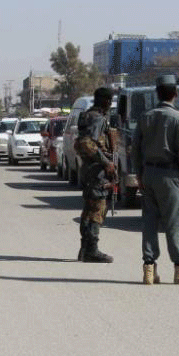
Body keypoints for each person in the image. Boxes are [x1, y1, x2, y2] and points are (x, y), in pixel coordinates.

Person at [132, 74, 179, 285]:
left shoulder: (145, 117)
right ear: (175, 94)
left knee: (149, 222)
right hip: (169, 176)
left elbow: (135, 149)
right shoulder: (176, 118)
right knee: (174, 224)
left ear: (157, 93)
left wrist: (139, 174)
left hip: (148, 174)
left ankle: (149, 267)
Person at [75, 87, 115, 263]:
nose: (110, 105)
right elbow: (86, 143)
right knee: (97, 210)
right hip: (97, 170)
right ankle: (91, 250)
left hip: (89, 169)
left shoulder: (87, 116)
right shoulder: (97, 119)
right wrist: (106, 163)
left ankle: (85, 249)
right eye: (109, 101)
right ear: (105, 101)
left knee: (89, 209)